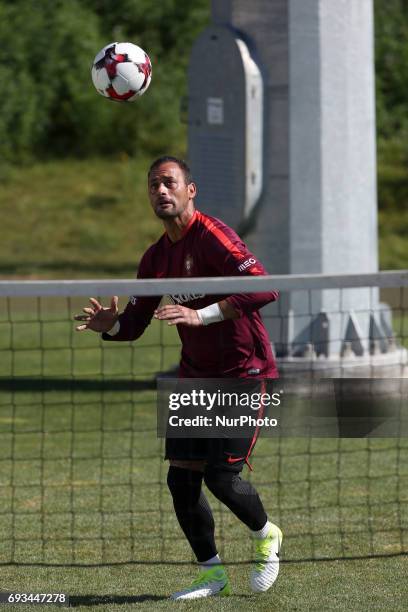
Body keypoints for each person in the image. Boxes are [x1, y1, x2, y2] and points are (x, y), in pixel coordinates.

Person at [74, 156, 282, 600]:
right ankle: (212, 574)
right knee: (180, 481)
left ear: (191, 190)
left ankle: (266, 535)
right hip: (194, 379)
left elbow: (264, 286)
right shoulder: (155, 258)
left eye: (169, 183)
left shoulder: (215, 237)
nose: (160, 191)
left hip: (242, 373)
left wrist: (200, 315)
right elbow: (134, 324)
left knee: (221, 479)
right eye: (153, 185)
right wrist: (109, 325)